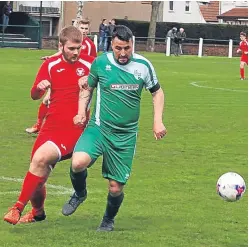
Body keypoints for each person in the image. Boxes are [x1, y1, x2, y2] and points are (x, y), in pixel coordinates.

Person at [61, 25, 167, 231]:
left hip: (125, 136)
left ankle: (108, 220)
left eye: (127, 48)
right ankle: (80, 194)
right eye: (118, 48)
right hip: (99, 128)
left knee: (116, 187)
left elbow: (157, 92)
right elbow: (87, 88)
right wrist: (81, 111)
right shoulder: (101, 63)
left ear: (132, 44)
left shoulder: (143, 65)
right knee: (78, 162)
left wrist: (158, 120)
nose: (123, 53)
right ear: (112, 45)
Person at [3, 26, 94, 225]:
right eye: (71, 48)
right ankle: (38, 213)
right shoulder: (51, 64)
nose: (76, 52)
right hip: (50, 126)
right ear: (60, 46)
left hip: (74, 128)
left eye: (78, 48)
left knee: (40, 159)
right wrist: (40, 87)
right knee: (37, 173)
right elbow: (34, 95)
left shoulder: (90, 64)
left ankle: (17, 207)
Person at [26, 19, 97, 134]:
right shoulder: (65, 46)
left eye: (86, 28)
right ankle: (39, 125)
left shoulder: (90, 46)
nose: (84, 31)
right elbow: (61, 54)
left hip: (82, 79)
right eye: (82, 28)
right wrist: (51, 58)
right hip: (63, 75)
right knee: (46, 100)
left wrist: (89, 77)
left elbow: (95, 64)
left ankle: (81, 122)